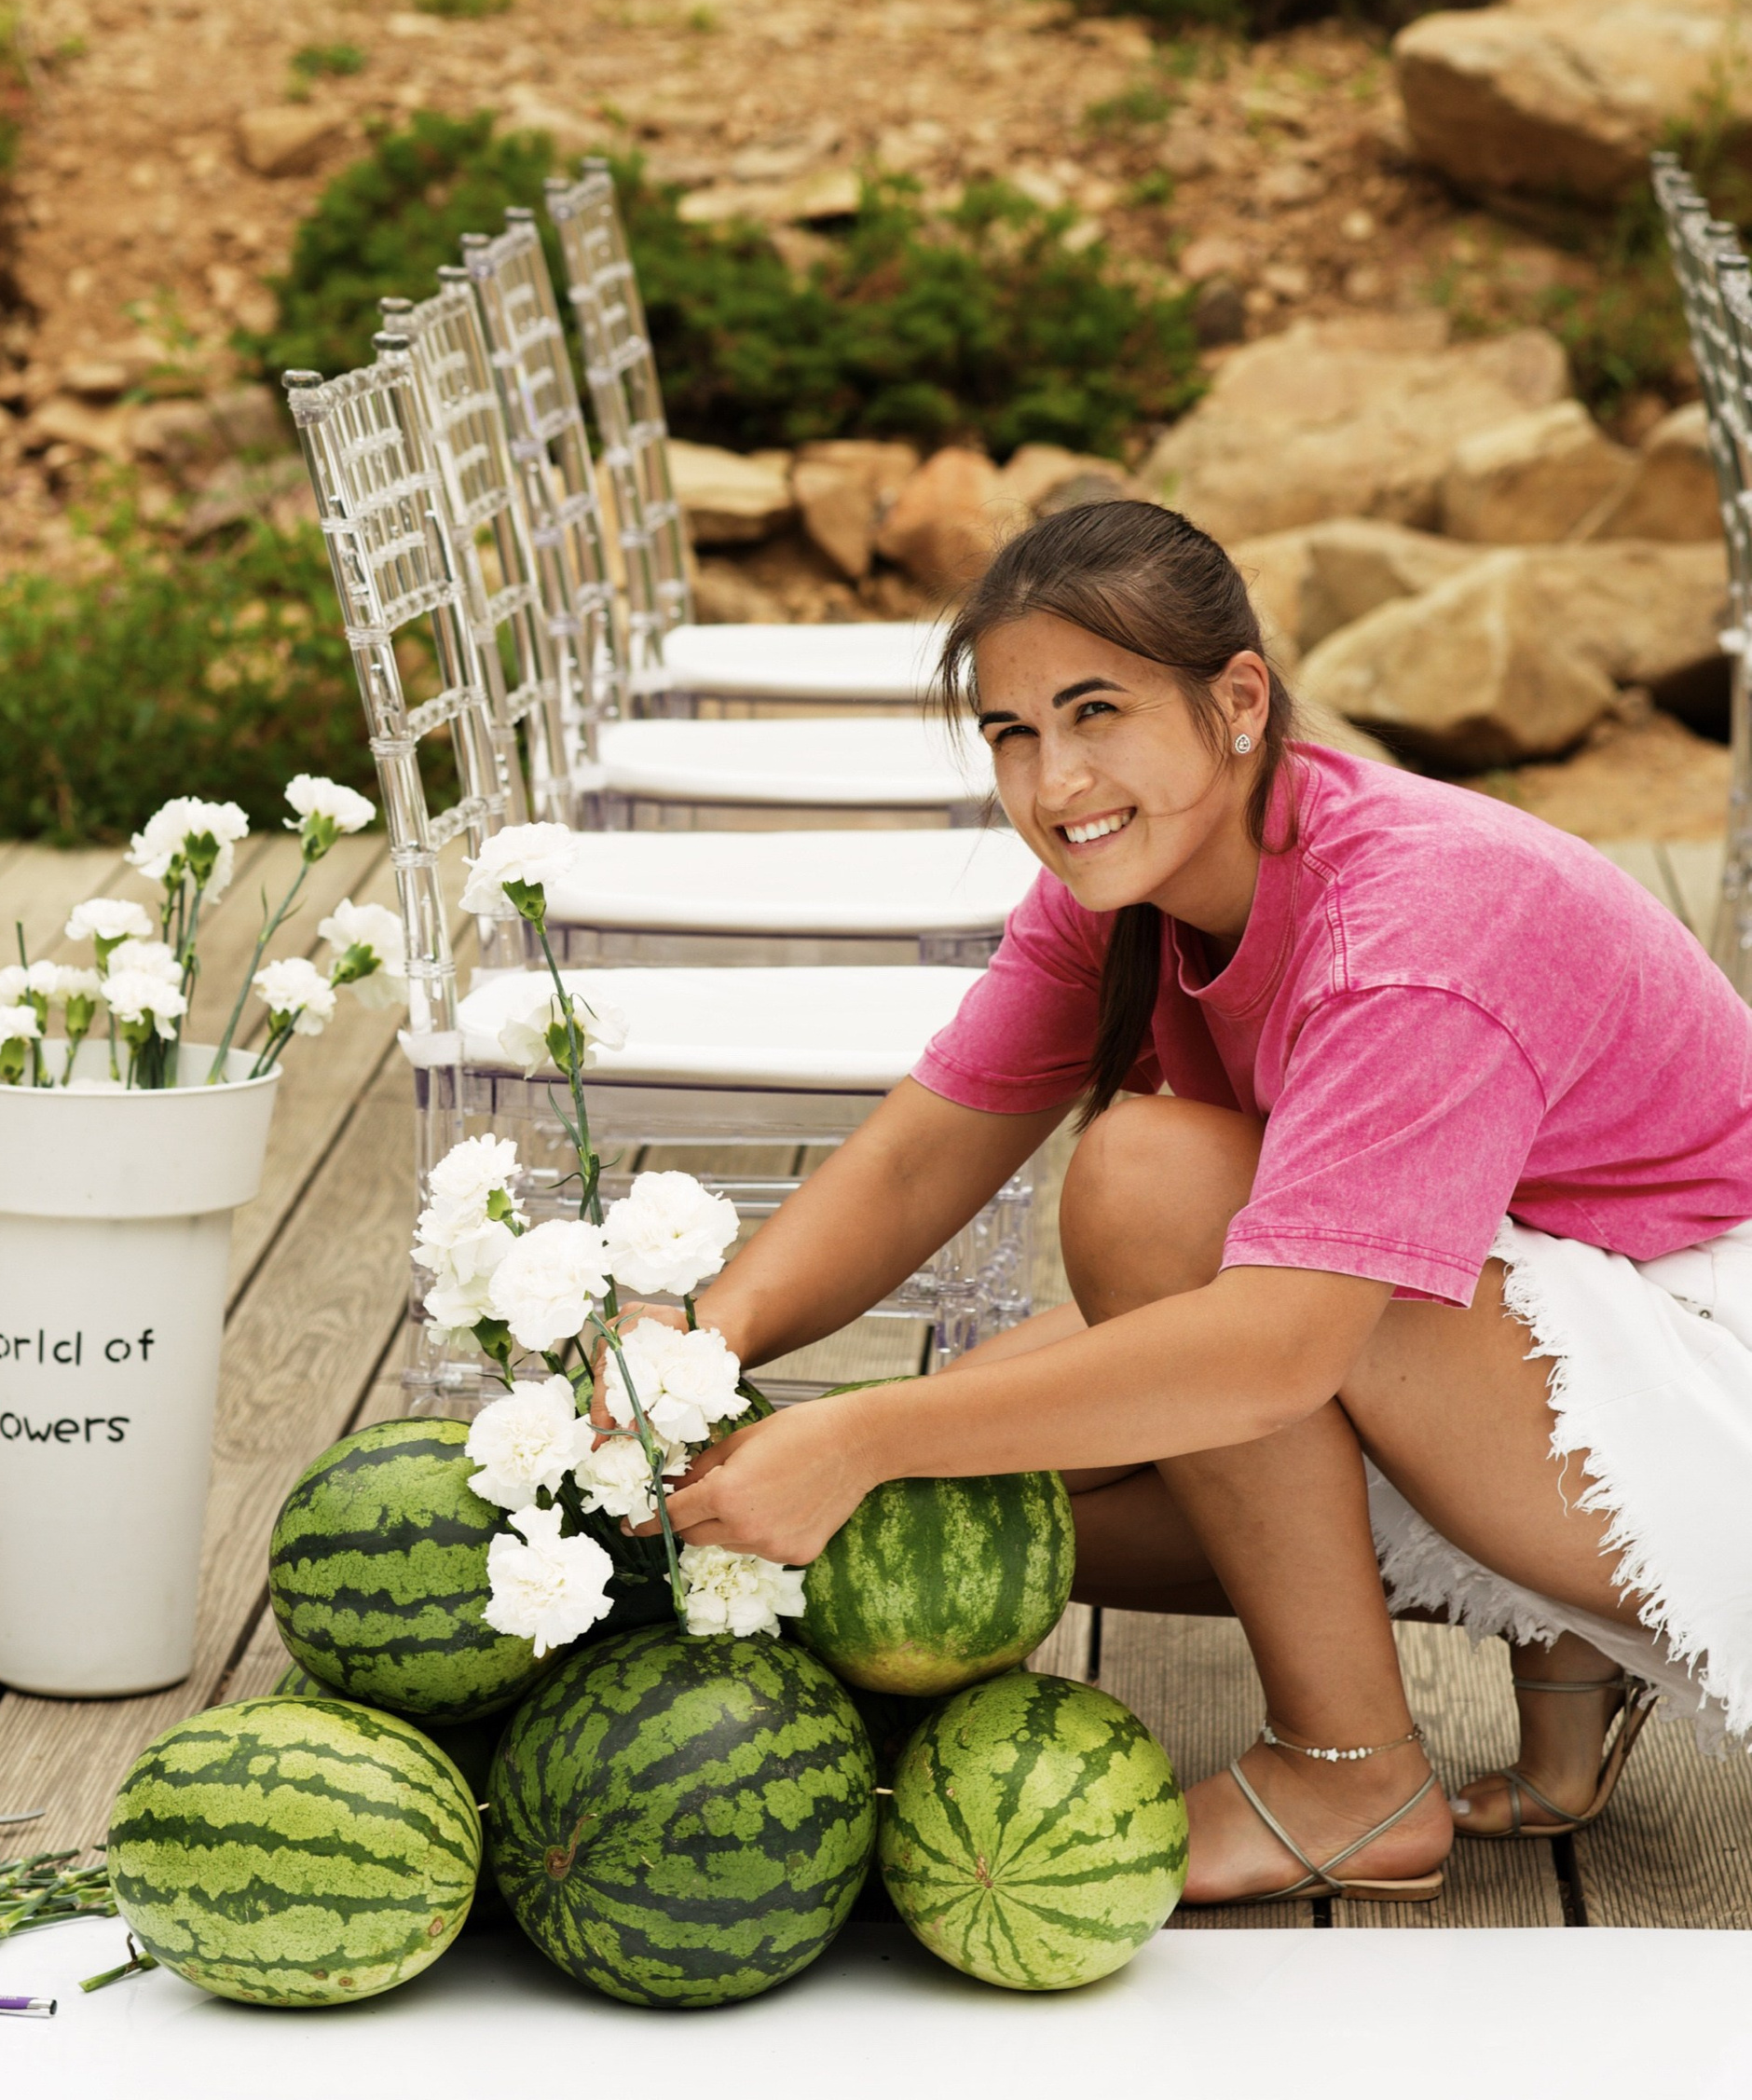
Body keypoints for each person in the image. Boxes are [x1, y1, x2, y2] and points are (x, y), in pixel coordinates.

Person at [660, 497, 1752, 1907]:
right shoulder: (1132, 884)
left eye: (1096, 710)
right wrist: (694, 1349)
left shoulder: (1406, 931)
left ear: (1239, 702)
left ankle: (1349, 1770)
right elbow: (923, 1154)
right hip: (1525, 1315)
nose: (1055, 781)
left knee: (1148, 1180)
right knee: (969, 1490)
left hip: (1707, 1394)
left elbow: (1277, 1353)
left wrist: (861, 1430)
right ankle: (1560, 1641)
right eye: (1011, 733)